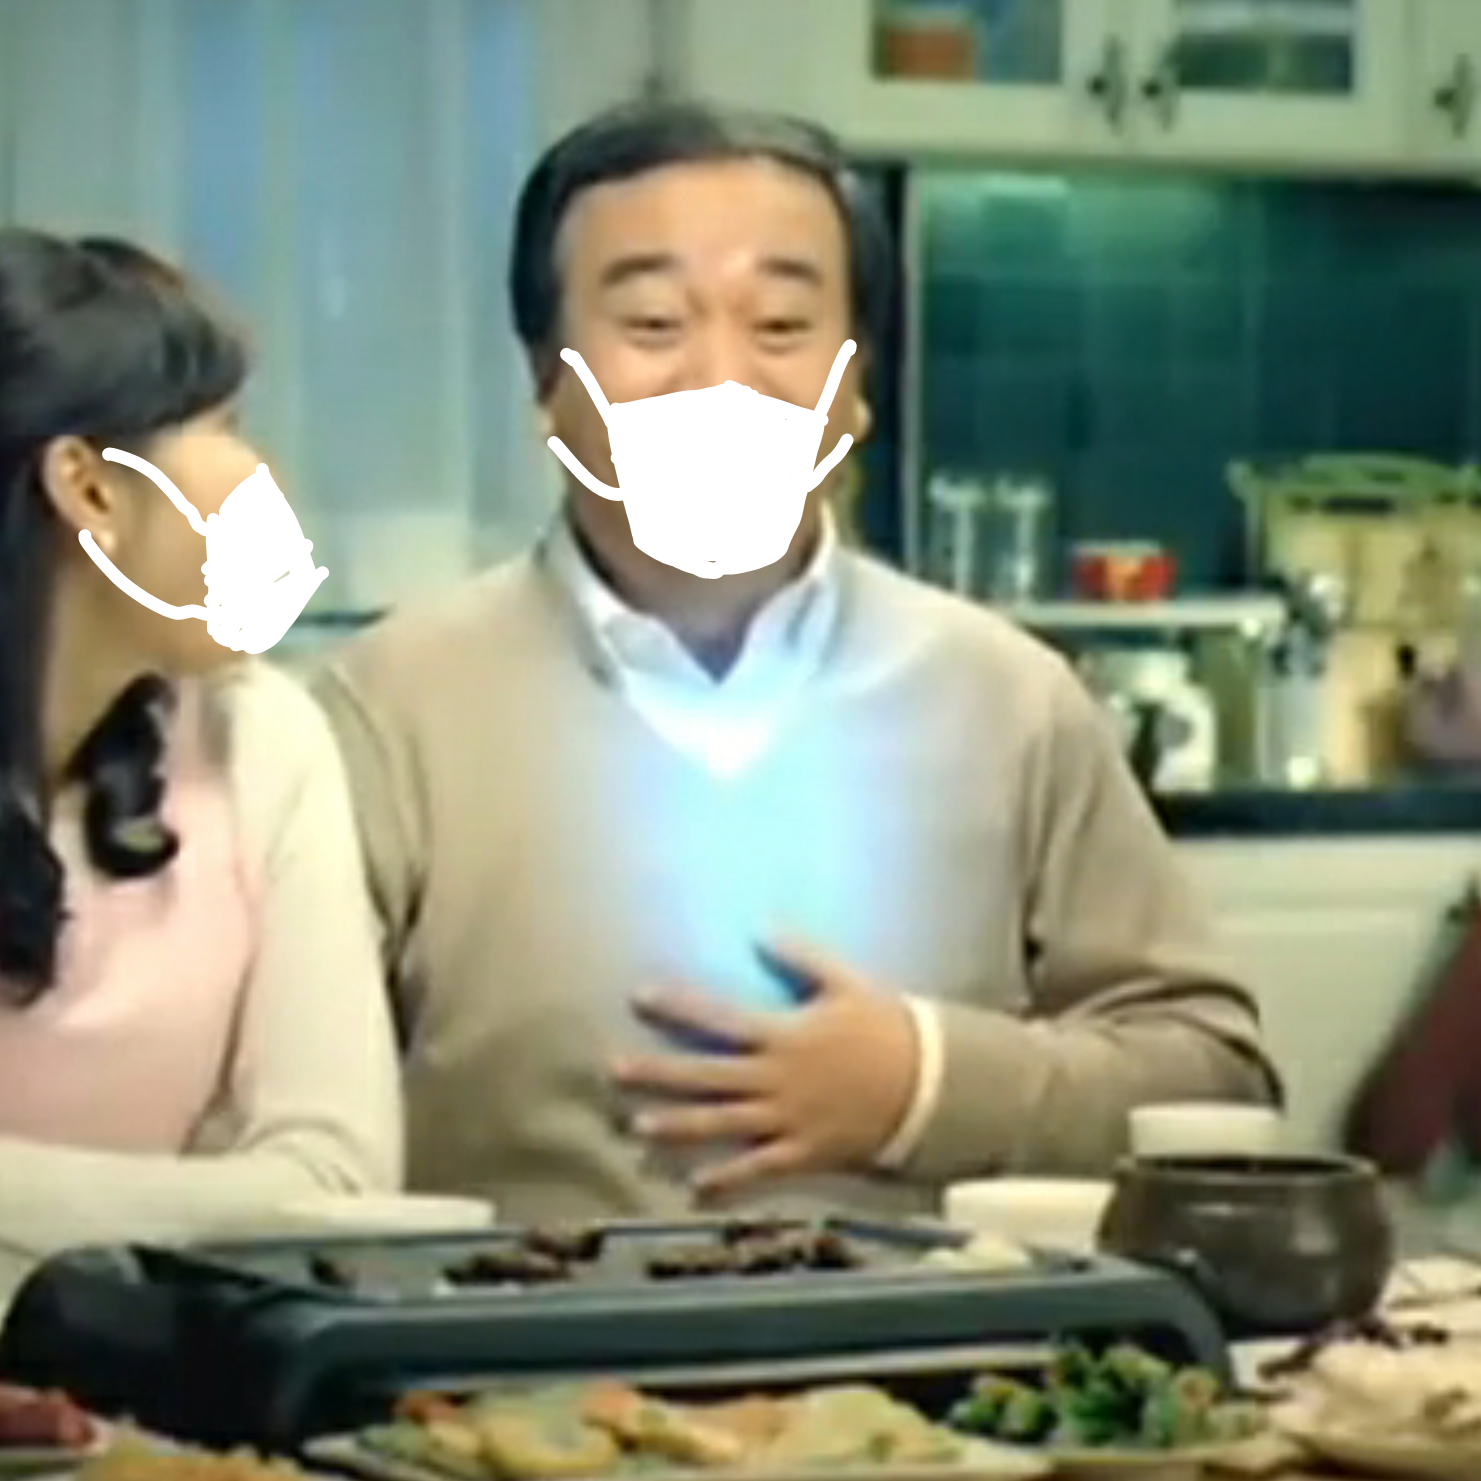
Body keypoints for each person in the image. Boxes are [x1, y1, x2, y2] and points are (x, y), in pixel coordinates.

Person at [312, 102, 1279, 1222]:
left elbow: (1214, 1079)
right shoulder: (387, 711)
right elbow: (283, 1138)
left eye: (778, 326)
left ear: (852, 386)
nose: (718, 381)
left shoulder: (1007, 700)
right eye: (652, 322)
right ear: (545, 381)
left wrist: (926, 1085)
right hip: (507, 1333)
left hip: (931, 1331)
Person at [0, 228, 402, 1282]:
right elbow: (281, 1205)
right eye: (225, 429)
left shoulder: (261, 737)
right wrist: (215, 1202)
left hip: (170, 1379)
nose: (267, 478)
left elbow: (337, 1186)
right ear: (89, 488)